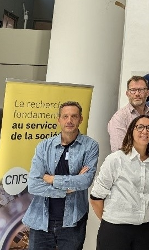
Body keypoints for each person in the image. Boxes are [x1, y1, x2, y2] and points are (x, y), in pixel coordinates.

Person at [22, 101, 99, 250]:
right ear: (59, 120)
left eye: (74, 116)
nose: (69, 120)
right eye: (65, 116)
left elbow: (85, 181)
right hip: (41, 220)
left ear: (80, 119)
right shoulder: (44, 147)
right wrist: (66, 189)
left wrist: (52, 179)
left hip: (73, 221)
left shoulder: (90, 146)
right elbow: (33, 185)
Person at [90, 115, 149, 250]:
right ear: (131, 131)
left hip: (144, 229)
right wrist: (110, 221)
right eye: (140, 127)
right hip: (116, 229)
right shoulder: (116, 159)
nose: (145, 131)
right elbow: (96, 197)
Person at [108, 75, 149, 154]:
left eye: (141, 90)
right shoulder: (119, 118)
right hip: (129, 165)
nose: (137, 94)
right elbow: (120, 149)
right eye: (133, 90)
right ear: (127, 93)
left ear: (148, 93)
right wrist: (144, 161)